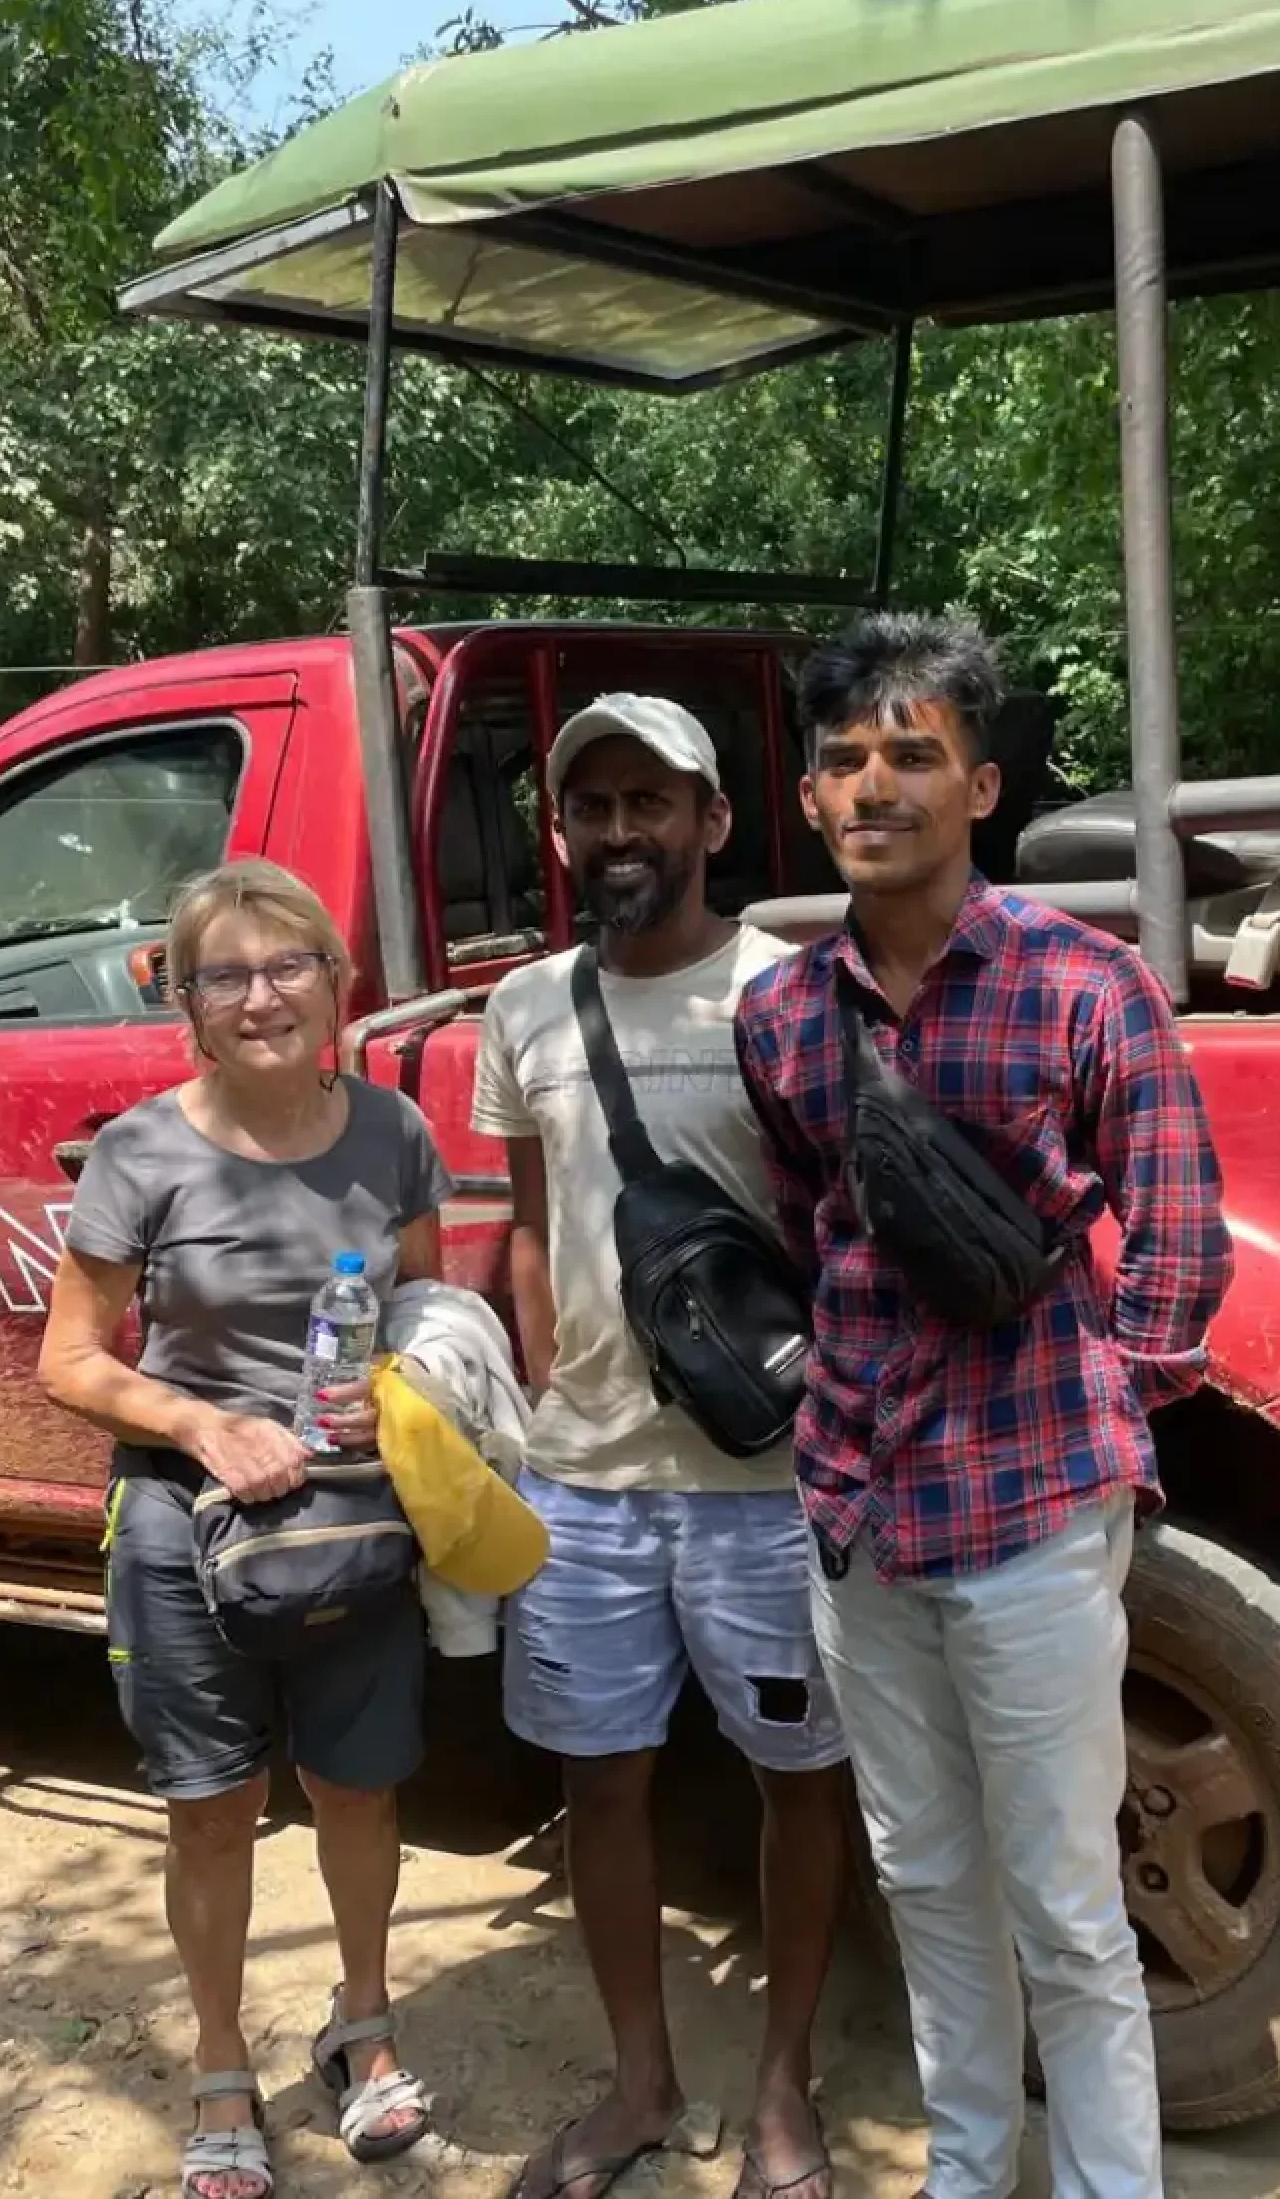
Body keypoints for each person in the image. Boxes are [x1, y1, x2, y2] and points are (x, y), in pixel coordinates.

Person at [732, 616, 1233, 2199]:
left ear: (982, 783)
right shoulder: (782, 1023)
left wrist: (1100, 1426)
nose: (874, 784)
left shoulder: (1088, 988)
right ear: (810, 798)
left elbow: (1180, 1243)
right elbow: (818, 1227)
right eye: (844, 760)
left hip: (1028, 1512)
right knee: (925, 1881)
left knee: (1070, 1907)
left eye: (913, 754)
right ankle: (970, 2167)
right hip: (857, 1515)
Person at [472, 693, 855, 2199]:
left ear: (712, 822)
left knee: (799, 1782)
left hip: (764, 1485)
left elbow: (840, 1227)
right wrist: (539, 1385)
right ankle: (638, 2088)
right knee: (601, 1788)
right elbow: (526, 1221)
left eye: (650, 803)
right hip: (586, 1490)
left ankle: (783, 2095)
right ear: (563, 834)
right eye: (591, 809)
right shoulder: (524, 1010)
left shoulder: (792, 993)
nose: (618, 833)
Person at [39, 857, 448, 2199]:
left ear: (336, 984)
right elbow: (70, 1361)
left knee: (357, 1789)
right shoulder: (140, 1151)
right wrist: (205, 1423)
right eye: (229, 975)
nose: (264, 996)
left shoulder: (393, 1133)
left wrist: (422, 1411)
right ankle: (221, 2064)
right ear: (190, 1003)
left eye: (291, 967)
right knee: (213, 1811)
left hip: (354, 1519)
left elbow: (433, 1317)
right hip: (183, 1522)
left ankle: (363, 2026)